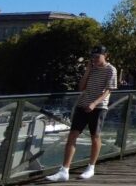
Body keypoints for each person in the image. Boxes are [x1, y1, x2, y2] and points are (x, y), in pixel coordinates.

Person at [46, 45, 117, 182]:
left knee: (95, 136)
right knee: (72, 135)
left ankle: (91, 167)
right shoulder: (92, 68)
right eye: (93, 57)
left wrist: (94, 104)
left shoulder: (111, 69)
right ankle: (64, 170)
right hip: (82, 104)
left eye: (97, 56)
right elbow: (81, 87)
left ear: (105, 56)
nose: (95, 59)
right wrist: (87, 71)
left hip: (99, 107)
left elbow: (108, 91)